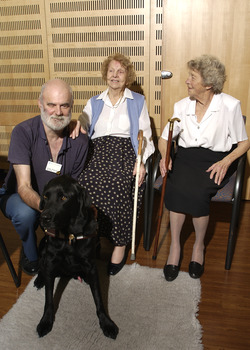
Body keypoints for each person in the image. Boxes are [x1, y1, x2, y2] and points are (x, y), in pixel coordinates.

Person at [159, 54, 249, 281]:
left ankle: (199, 247)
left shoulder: (230, 105)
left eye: (192, 77)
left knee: (198, 194)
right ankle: (175, 247)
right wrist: (164, 156)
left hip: (216, 160)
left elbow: (244, 142)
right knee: (175, 188)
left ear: (208, 84)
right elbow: (164, 139)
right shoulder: (181, 105)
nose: (187, 81)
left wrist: (227, 161)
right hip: (187, 158)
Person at [0, 79, 89, 275]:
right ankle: (30, 254)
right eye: (51, 105)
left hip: (55, 202)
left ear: (71, 107)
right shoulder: (23, 132)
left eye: (64, 105)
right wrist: (48, 213)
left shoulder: (80, 142)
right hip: (18, 196)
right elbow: (23, 187)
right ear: (40, 104)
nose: (58, 112)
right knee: (26, 214)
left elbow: (71, 189)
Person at [77, 53, 155, 276]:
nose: (115, 75)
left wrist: (141, 162)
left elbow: (145, 136)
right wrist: (76, 126)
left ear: (127, 76)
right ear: (105, 74)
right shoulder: (94, 102)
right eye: (111, 71)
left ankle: (119, 244)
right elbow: (82, 127)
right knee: (84, 183)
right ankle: (93, 237)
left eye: (120, 71)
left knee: (119, 183)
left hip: (124, 152)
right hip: (97, 151)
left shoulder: (137, 101)